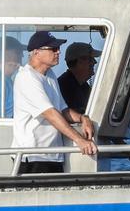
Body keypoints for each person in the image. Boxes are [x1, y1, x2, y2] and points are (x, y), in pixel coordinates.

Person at [12, 30, 97, 174]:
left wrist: (83, 118)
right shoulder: (26, 78)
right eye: (53, 49)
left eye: (58, 48)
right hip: (33, 156)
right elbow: (50, 114)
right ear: (36, 52)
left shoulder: (50, 75)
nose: (58, 52)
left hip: (53, 155)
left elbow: (63, 110)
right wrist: (80, 140)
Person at [58, 41, 101, 115]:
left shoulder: (82, 85)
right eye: (91, 59)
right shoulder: (65, 86)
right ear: (79, 61)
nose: (95, 62)